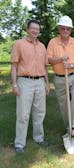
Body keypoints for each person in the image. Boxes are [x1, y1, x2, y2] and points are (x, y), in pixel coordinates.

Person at [11, 19, 50, 153]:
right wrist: (14, 84)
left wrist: (47, 83)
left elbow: (44, 67)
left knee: (40, 112)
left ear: (39, 31)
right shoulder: (19, 44)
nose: (35, 31)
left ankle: (39, 138)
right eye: (32, 28)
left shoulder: (42, 46)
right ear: (27, 29)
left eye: (37, 29)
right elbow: (14, 66)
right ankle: (19, 143)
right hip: (24, 81)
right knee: (23, 114)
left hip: (40, 82)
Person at [47, 16, 74, 137]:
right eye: (63, 28)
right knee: (64, 105)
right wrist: (60, 59)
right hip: (60, 78)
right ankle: (68, 127)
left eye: (68, 29)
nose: (65, 31)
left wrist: (71, 65)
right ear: (59, 29)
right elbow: (48, 60)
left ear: (71, 30)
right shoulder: (53, 42)